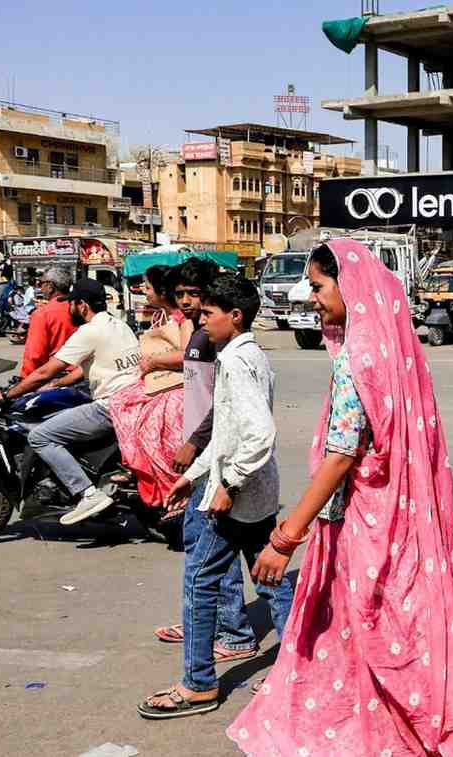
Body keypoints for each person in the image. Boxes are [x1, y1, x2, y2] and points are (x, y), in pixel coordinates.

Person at [227, 240, 453, 756]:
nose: (310, 297)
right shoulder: (394, 350)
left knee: (379, 627)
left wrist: (288, 535)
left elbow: (341, 455)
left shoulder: (356, 359)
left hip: (366, 524)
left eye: (317, 287)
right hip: (401, 520)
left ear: (350, 287)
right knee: (388, 624)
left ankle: (430, 730)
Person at [139, 274, 295, 720]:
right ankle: (293, 668)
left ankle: (198, 684)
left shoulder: (239, 362)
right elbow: (228, 432)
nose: (201, 322)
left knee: (199, 583)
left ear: (236, 316)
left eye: (208, 314)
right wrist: (194, 475)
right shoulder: (244, 356)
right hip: (254, 494)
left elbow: (259, 435)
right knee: (272, 580)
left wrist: (227, 485)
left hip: (236, 497)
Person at [149, 260, 260, 664]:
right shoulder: (199, 334)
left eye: (193, 295)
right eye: (180, 294)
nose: (186, 302)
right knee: (208, 548)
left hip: (217, 456)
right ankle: (206, 622)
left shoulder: (224, 344)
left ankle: (230, 632)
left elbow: (224, 406)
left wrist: (195, 445)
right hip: (205, 456)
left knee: (214, 550)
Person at [0, 278, 141, 525]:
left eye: (72, 304)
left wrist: (6, 395)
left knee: (40, 436)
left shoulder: (89, 331)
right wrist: (58, 384)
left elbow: (45, 370)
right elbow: (88, 366)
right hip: (133, 400)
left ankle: (87, 494)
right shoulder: (119, 325)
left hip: (110, 407)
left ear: (82, 305)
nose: (69, 309)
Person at [107, 266, 189, 508]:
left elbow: (186, 355)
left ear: (163, 292)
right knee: (121, 403)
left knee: (151, 429)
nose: (144, 291)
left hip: (174, 384)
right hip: (158, 380)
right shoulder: (160, 318)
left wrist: (153, 361)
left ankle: (166, 485)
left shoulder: (183, 320)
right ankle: (137, 465)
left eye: (148, 287)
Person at [20, 268, 78, 378]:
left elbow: (34, 355)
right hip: (82, 373)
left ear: (51, 286)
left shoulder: (43, 314)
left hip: (56, 377)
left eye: (41, 283)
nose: (40, 287)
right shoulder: (81, 308)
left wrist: (24, 381)